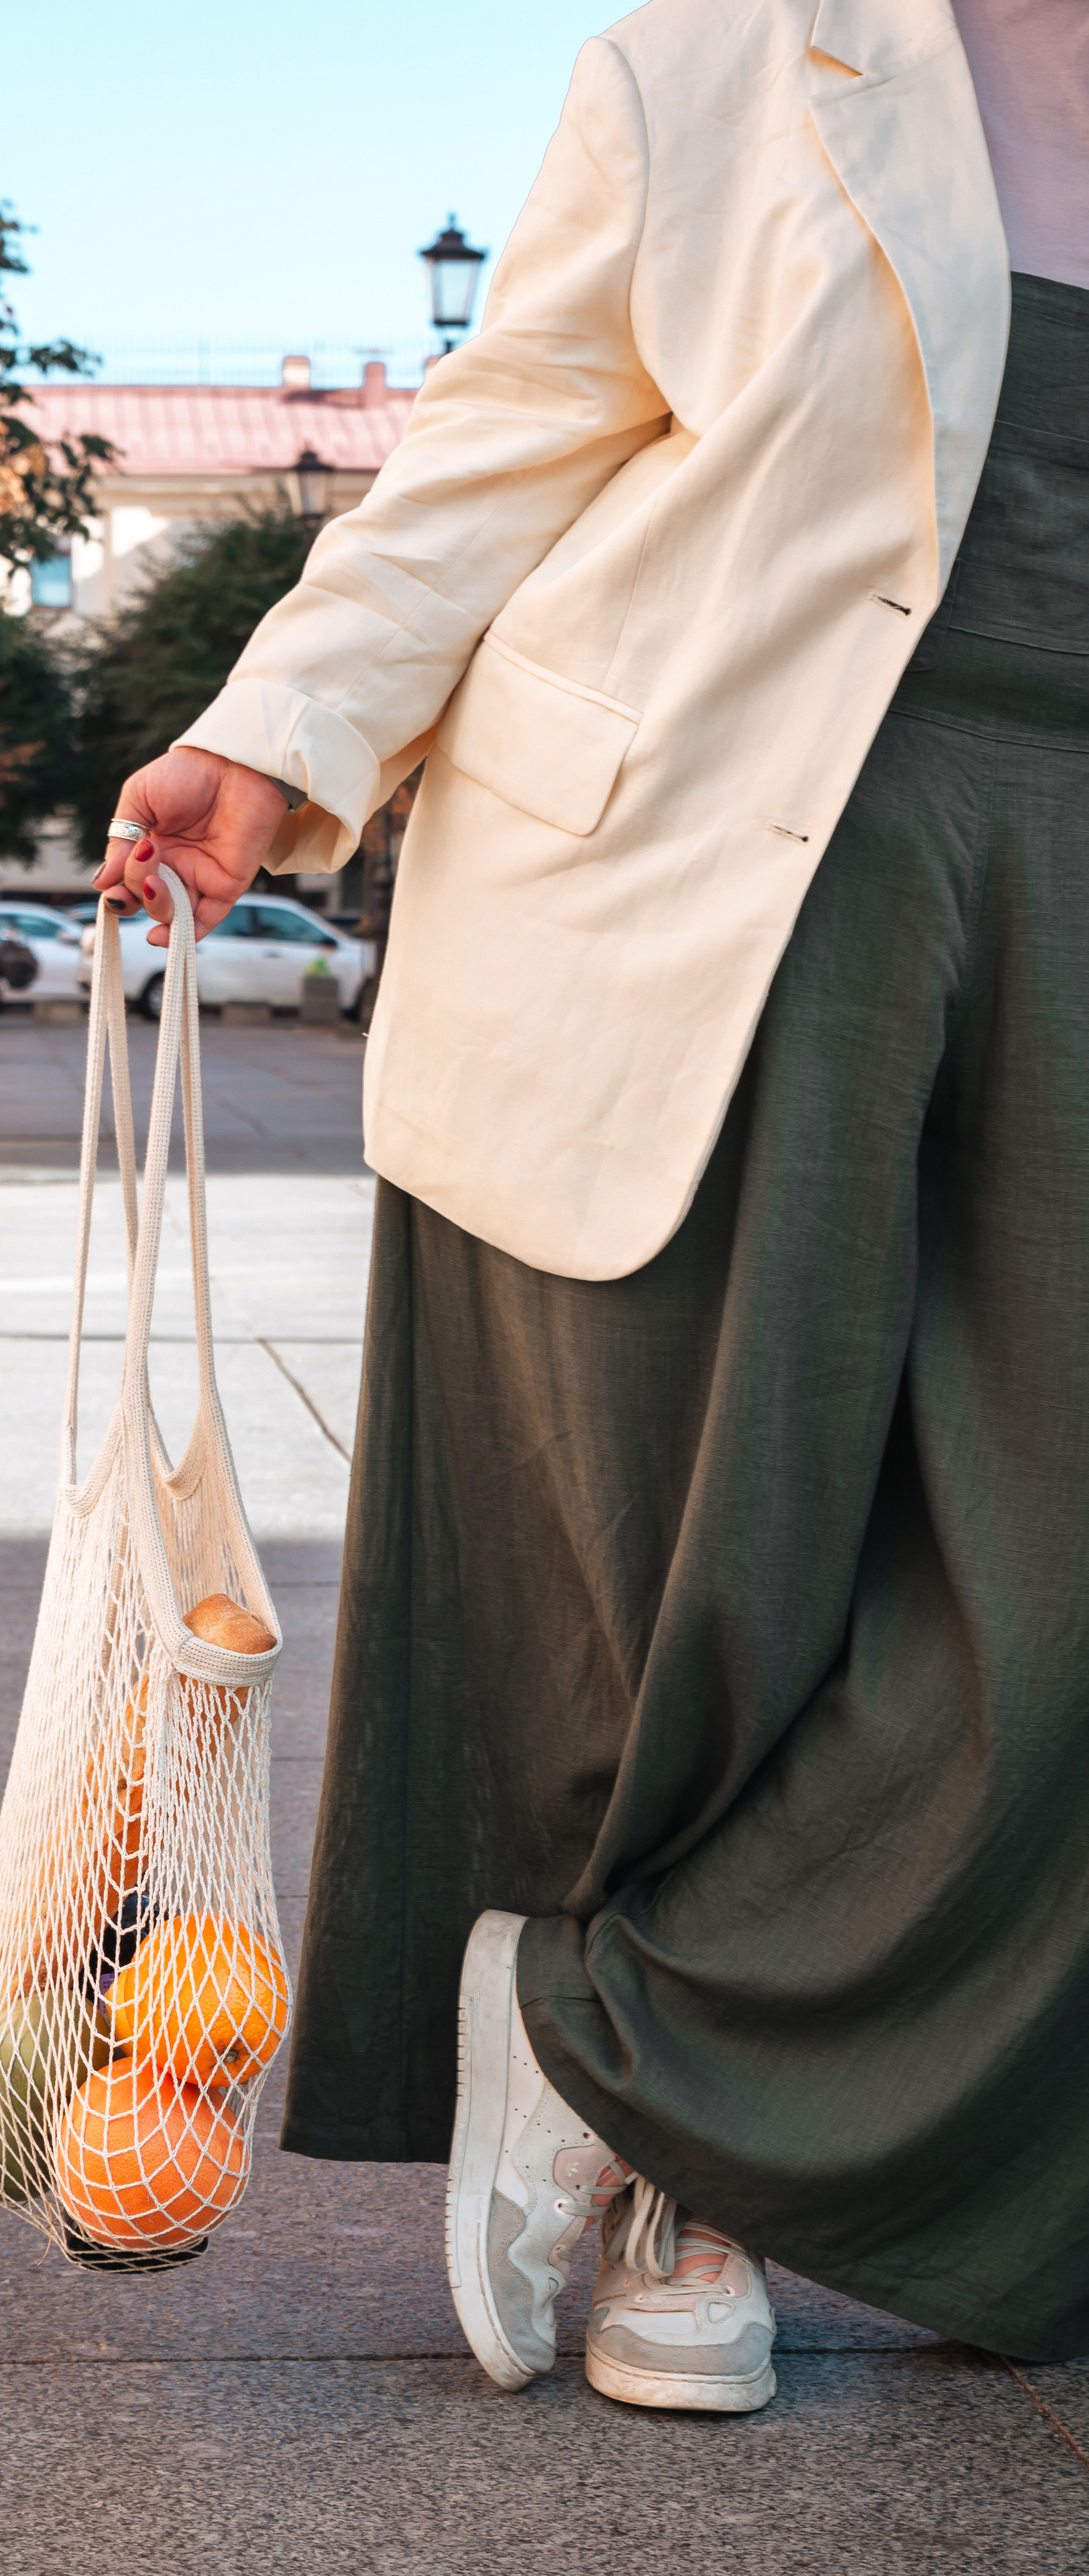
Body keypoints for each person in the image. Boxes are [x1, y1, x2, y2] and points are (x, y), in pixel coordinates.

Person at [95, 0, 1089, 2411]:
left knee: (1044, 1571)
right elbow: (517, 420)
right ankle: (672, 2164)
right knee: (714, 1553)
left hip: (1065, 882)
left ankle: (624, 2029)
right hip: (729, 856)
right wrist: (278, 727)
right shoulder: (742, 44)